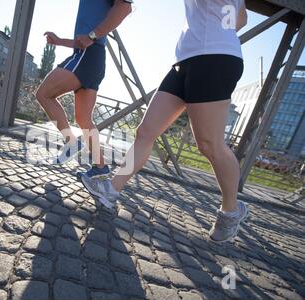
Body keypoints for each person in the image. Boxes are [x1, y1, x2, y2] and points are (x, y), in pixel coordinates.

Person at [82, 0, 250, 243]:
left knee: (209, 144)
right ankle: (111, 190)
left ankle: (230, 212)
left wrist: (215, 32)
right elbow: (241, 19)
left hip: (215, 58)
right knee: (146, 131)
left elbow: (239, 18)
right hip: (187, 58)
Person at [36, 0, 133, 179]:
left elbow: (125, 7)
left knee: (43, 94)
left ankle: (70, 142)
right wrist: (60, 41)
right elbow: (83, 40)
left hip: (88, 56)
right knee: (83, 119)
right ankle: (100, 167)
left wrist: (92, 36)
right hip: (91, 56)